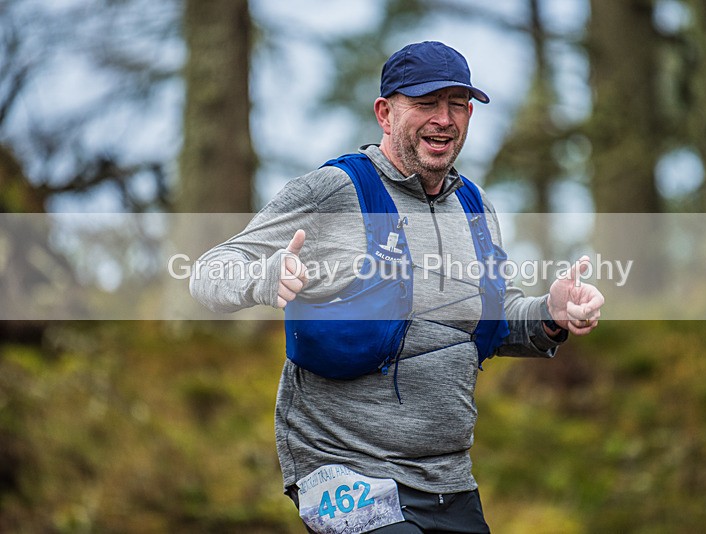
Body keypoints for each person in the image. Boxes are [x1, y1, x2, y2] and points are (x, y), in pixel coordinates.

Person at [190, 41, 604, 534]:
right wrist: (263, 277)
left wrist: (550, 314)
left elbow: (490, 322)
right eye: (426, 103)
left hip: (447, 478)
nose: (444, 119)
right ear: (385, 114)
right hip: (343, 469)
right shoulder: (334, 191)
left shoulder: (476, 208)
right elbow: (209, 272)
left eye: (457, 105)